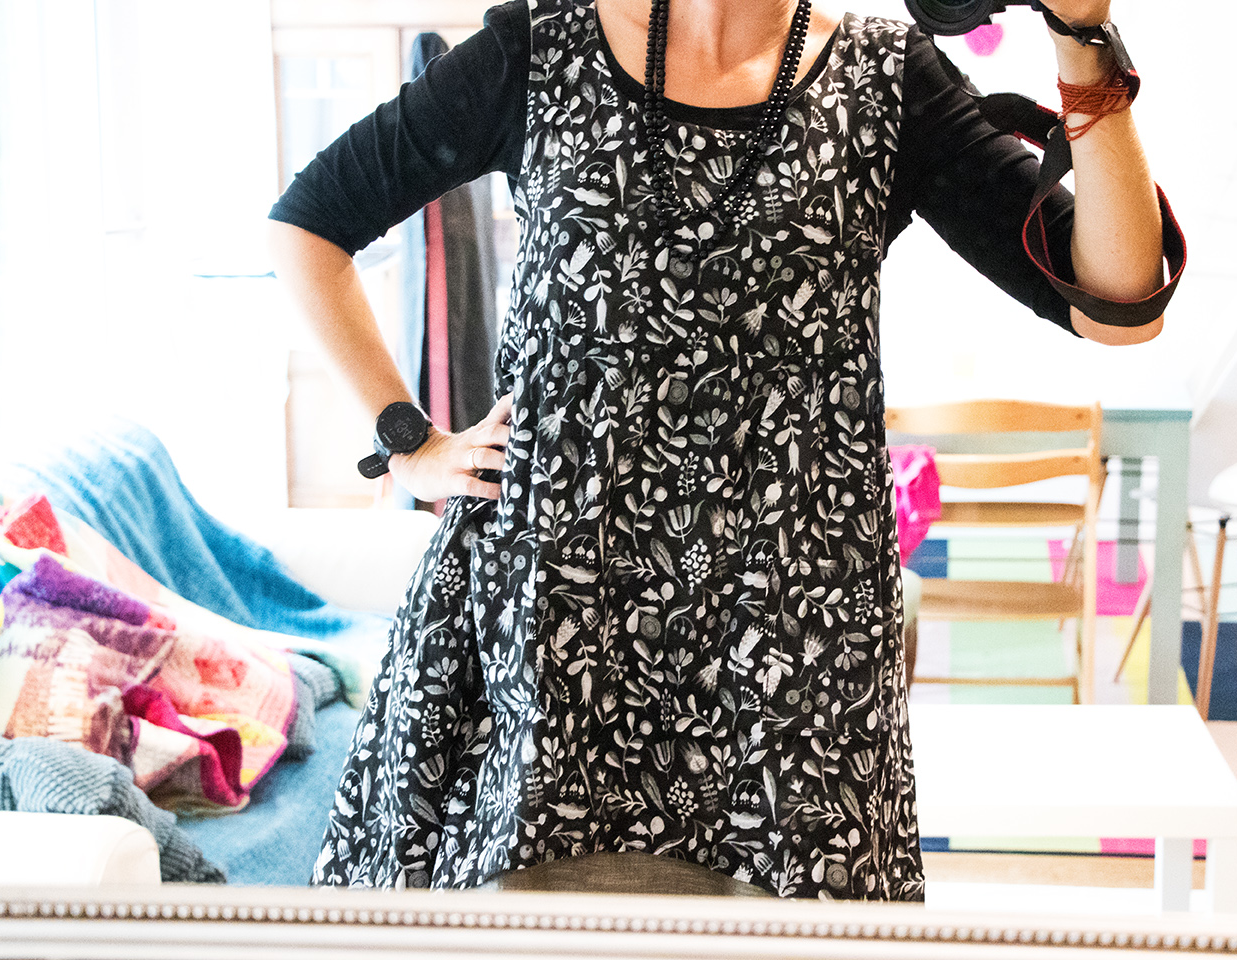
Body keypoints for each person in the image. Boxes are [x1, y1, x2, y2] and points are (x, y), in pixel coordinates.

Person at [267, 0, 1169, 901]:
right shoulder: (538, 53)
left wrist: (1081, 37)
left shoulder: (888, 82)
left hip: (794, 644)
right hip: (554, 633)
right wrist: (408, 439)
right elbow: (309, 223)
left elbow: (1119, 297)